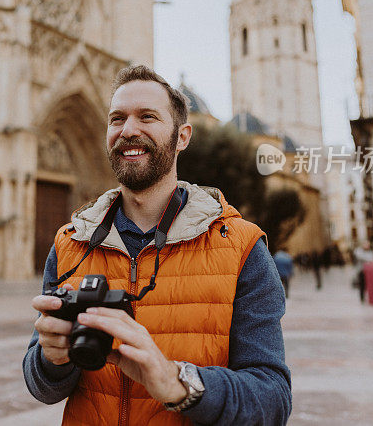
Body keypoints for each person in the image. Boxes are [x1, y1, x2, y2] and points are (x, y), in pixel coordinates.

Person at [23, 66, 291, 425]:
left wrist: (177, 382)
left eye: (147, 117)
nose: (128, 130)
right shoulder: (71, 242)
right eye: (116, 119)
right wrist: (50, 359)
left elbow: (273, 401)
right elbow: (43, 388)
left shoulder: (243, 247)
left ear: (182, 137)